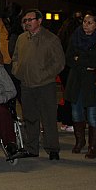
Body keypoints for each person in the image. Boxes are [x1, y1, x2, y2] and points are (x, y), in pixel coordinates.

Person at [11, 9, 65, 160]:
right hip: (26, 85)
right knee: (30, 118)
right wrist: (17, 71)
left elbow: (59, 63)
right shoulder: (22, 38)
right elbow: (15, 57)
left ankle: (52, 148)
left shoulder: (51, 39)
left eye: (30, 20)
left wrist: (44, 74)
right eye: (25, 20)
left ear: (39, 21)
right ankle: (31, 148)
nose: (27, 22)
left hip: (45, 85)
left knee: (48, 118)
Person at [64, 12, 96, 159]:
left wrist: (80, 59)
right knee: (76, 113)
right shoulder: (75, 37)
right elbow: (69, 58)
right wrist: (83, 61)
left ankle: (93, 146)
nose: (86, 25)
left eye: (89, 22)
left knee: (92, 115)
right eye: (84, 22)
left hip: (92, 81)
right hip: (76, 80)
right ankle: (80, 141)